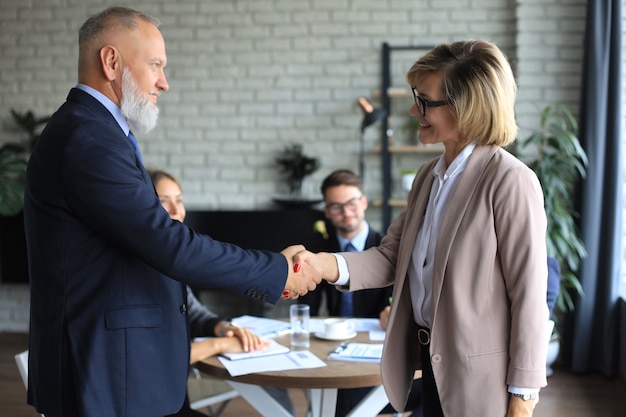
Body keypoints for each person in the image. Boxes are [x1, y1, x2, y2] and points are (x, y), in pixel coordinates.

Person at [23, 7, 319, 417]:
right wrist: (276, 271)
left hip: (127, 371)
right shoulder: (87, 137)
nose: (164, 81)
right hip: (108, 375)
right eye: (156, 65)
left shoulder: (98, 132)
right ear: (111, 62)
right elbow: (167, 242)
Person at [297, 40, 549, 417]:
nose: (415, 110)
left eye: (426, 102)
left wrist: (523, 398)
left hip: (483, 380)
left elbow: (530, 295)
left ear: (467, 108)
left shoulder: (510, 180)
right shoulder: (428, 177)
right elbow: (391, 256)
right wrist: (319, 264)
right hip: (429, 366)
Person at [149, 169, 296, 417]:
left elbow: (194, 312)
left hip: (173, 402)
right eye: (164, 201)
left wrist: (224, 327)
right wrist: (220, 344)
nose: (176, 210)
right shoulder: (138, 272)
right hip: (152, 406)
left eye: (179, 200)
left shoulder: (170, 266)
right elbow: (155, 360)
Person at [301, 169, 422, 417]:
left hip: (376, 352)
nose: (346, 212)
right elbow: (307, 309)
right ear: (326, 212)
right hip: (333, 350)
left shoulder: (388, 248)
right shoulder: (321, 253)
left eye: (352, 203)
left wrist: (394, 314)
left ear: (363, 202)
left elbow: (400, 302)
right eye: (336, 207)